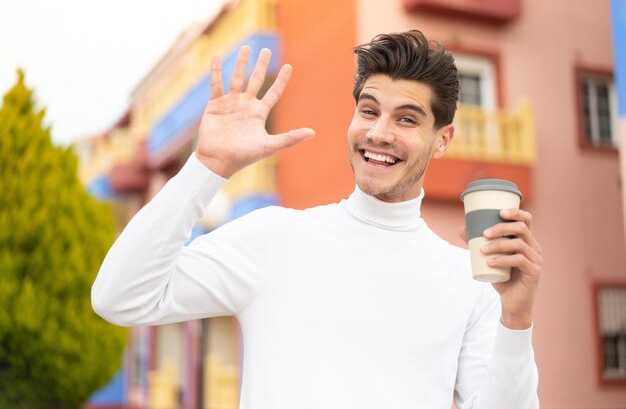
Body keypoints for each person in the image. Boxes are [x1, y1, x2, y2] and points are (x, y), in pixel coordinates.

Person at [92, 30, 542, 408]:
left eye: (407, 119)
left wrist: (517, 318)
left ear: (442, 140)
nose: (379, 133)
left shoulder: (469, 285)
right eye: (369, 110)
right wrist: (207, 166)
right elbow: (119, 296)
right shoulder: (274, 238)